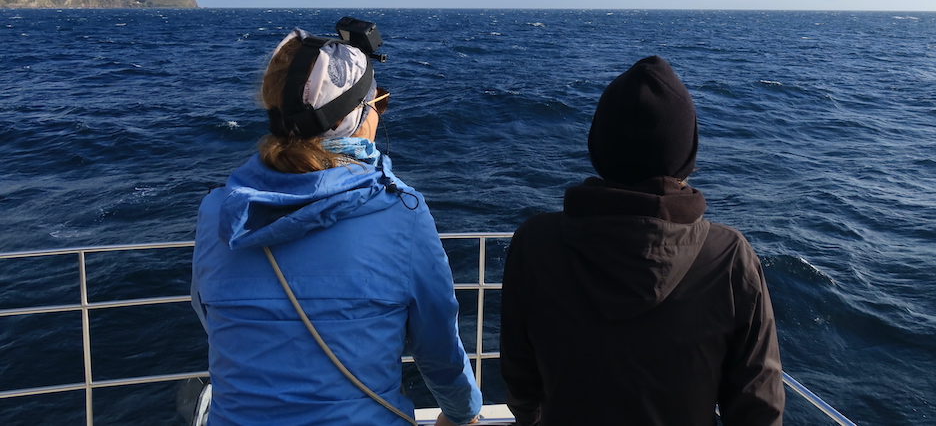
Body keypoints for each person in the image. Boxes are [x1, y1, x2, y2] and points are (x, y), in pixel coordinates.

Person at [192, 24, 482, 426]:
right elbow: (438, 347)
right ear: (354, 117)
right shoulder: (402, 213)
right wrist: (462, 414)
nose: (379, 114)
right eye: (379, 103)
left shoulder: (217, 212)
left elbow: (213, 317)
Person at [500, 55, 784, 426]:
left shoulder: (535, 243)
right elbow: (758, 408)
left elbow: (521, 379)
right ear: (685, 153)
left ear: (598, 146)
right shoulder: (729, 257)